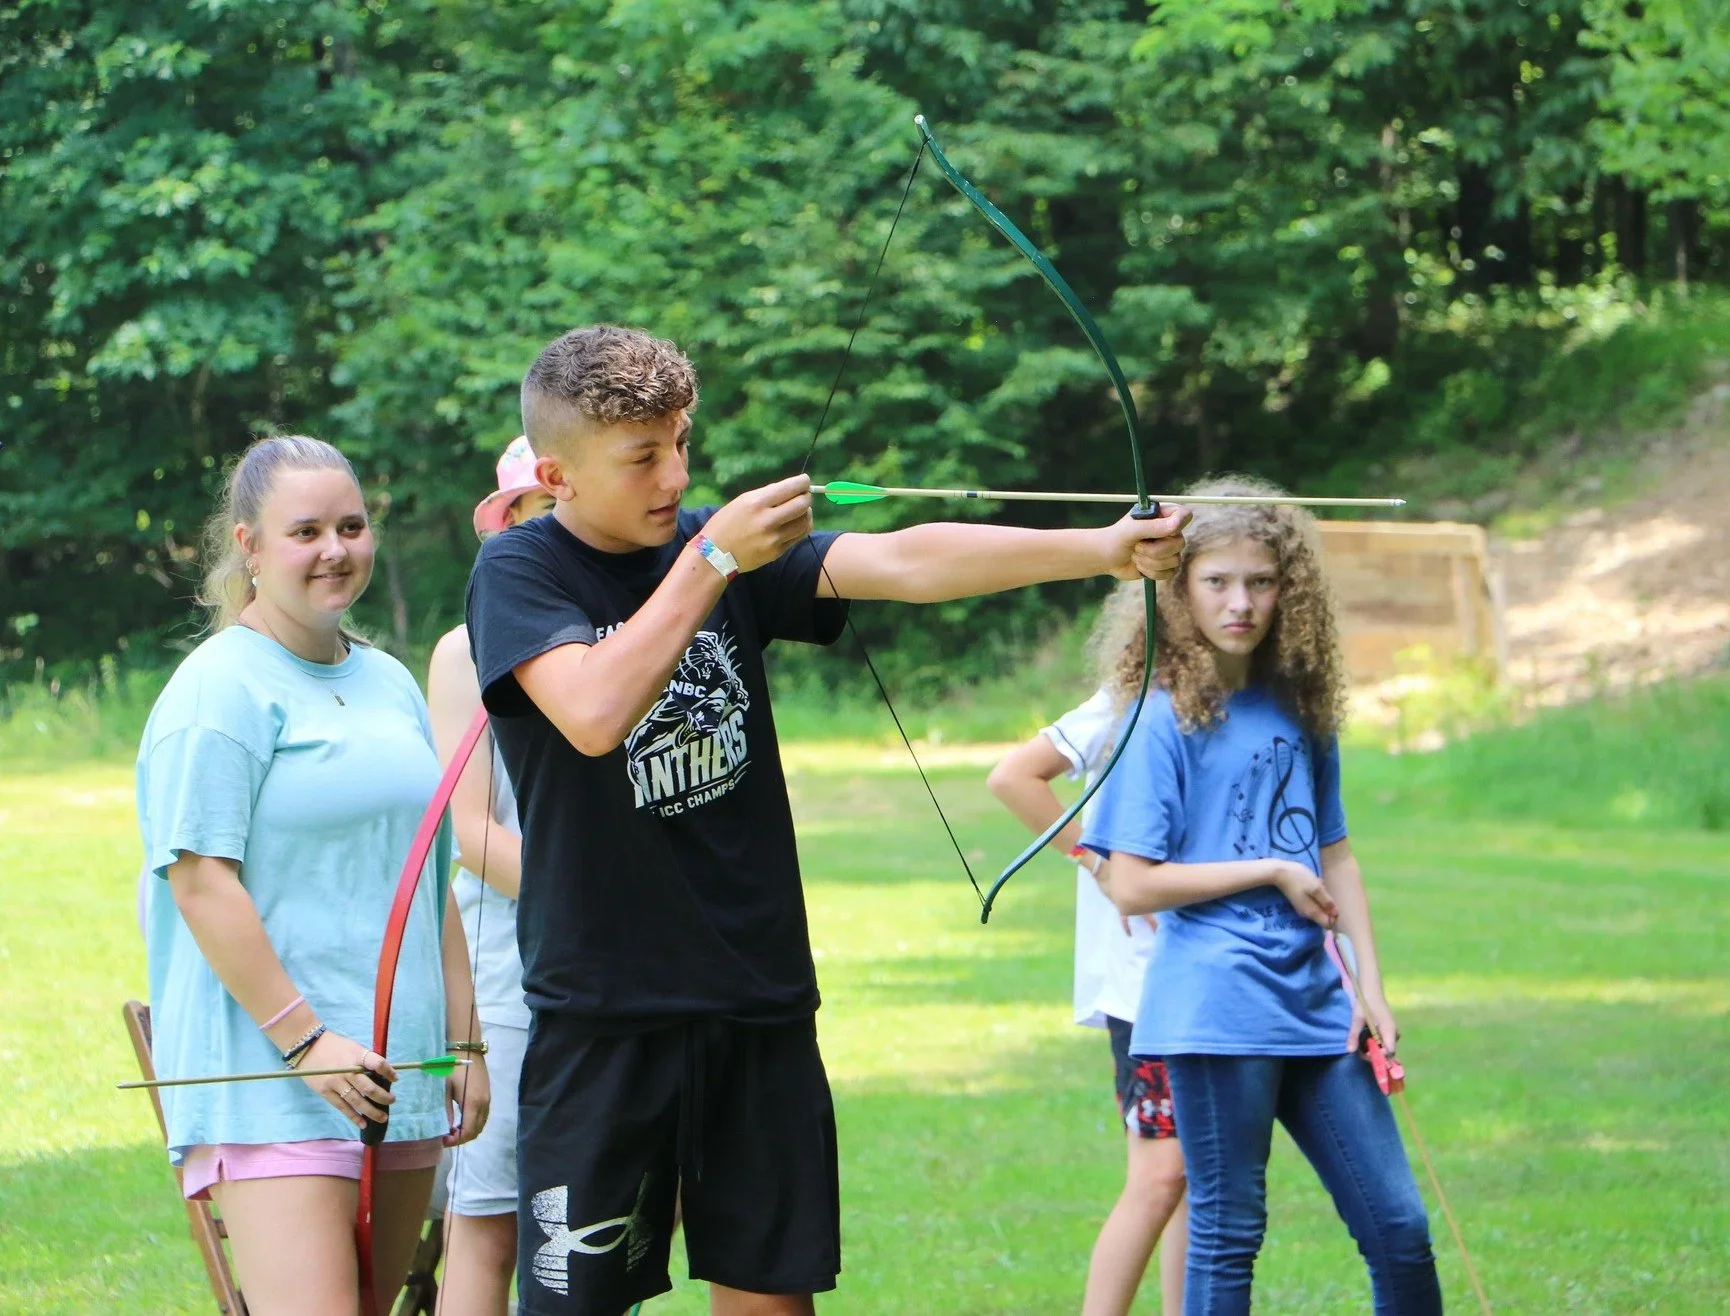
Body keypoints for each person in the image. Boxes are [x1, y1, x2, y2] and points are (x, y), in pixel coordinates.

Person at [464, 324, 1189, 1316]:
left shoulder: (710, 546)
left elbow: (905, 560)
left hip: (755, 994)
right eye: (642, 457)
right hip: (605, 1007)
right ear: (557, 475)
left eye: (681, 442)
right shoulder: (522, 572)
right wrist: (711, 560)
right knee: (574, 1302)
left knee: (771, 1296)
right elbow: (592, 713)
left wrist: (1101, 550)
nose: (676, 474)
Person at [136, 435, 489, 1316]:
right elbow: (200, 881)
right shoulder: (217, 690)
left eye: (351, 526)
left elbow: (426, 876)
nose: (335, 549)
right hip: (272, 1086)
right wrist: (306, 1042)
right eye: (306, 531)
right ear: (250, 546)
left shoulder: (389, 682)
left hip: (399, 1075)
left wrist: (466, 1042)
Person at [1082, 477, 1441, 1316]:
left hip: (1319, 1004)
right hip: (1215, 1005)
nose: (1240, 603)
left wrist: (1371, 984)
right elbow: (1130, 881)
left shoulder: (1300, 706)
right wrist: (1269, 870)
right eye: (1217, 581)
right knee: (1229, 1230)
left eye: (1261, 581)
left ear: (1290, 589)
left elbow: (1335, 852)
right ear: (1178, 587)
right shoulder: (1158, 717)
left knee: (1399, 1225)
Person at [989, 687, 1187, 1316]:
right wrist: (1100, 864)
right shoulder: (1128, 697)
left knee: (1197, 1181)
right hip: (1145, 987)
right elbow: (1014, 777)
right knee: (1162, 1175)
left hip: (1210, 978)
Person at [427, 437, 555, 1315]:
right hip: (510, 975)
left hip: (622, 971)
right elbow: (470, 831)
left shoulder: (631, 630)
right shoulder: (463, 649)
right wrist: (596, 899)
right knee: (489, 1220)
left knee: (606, 1222)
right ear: (506, 524)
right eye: (535, 513)